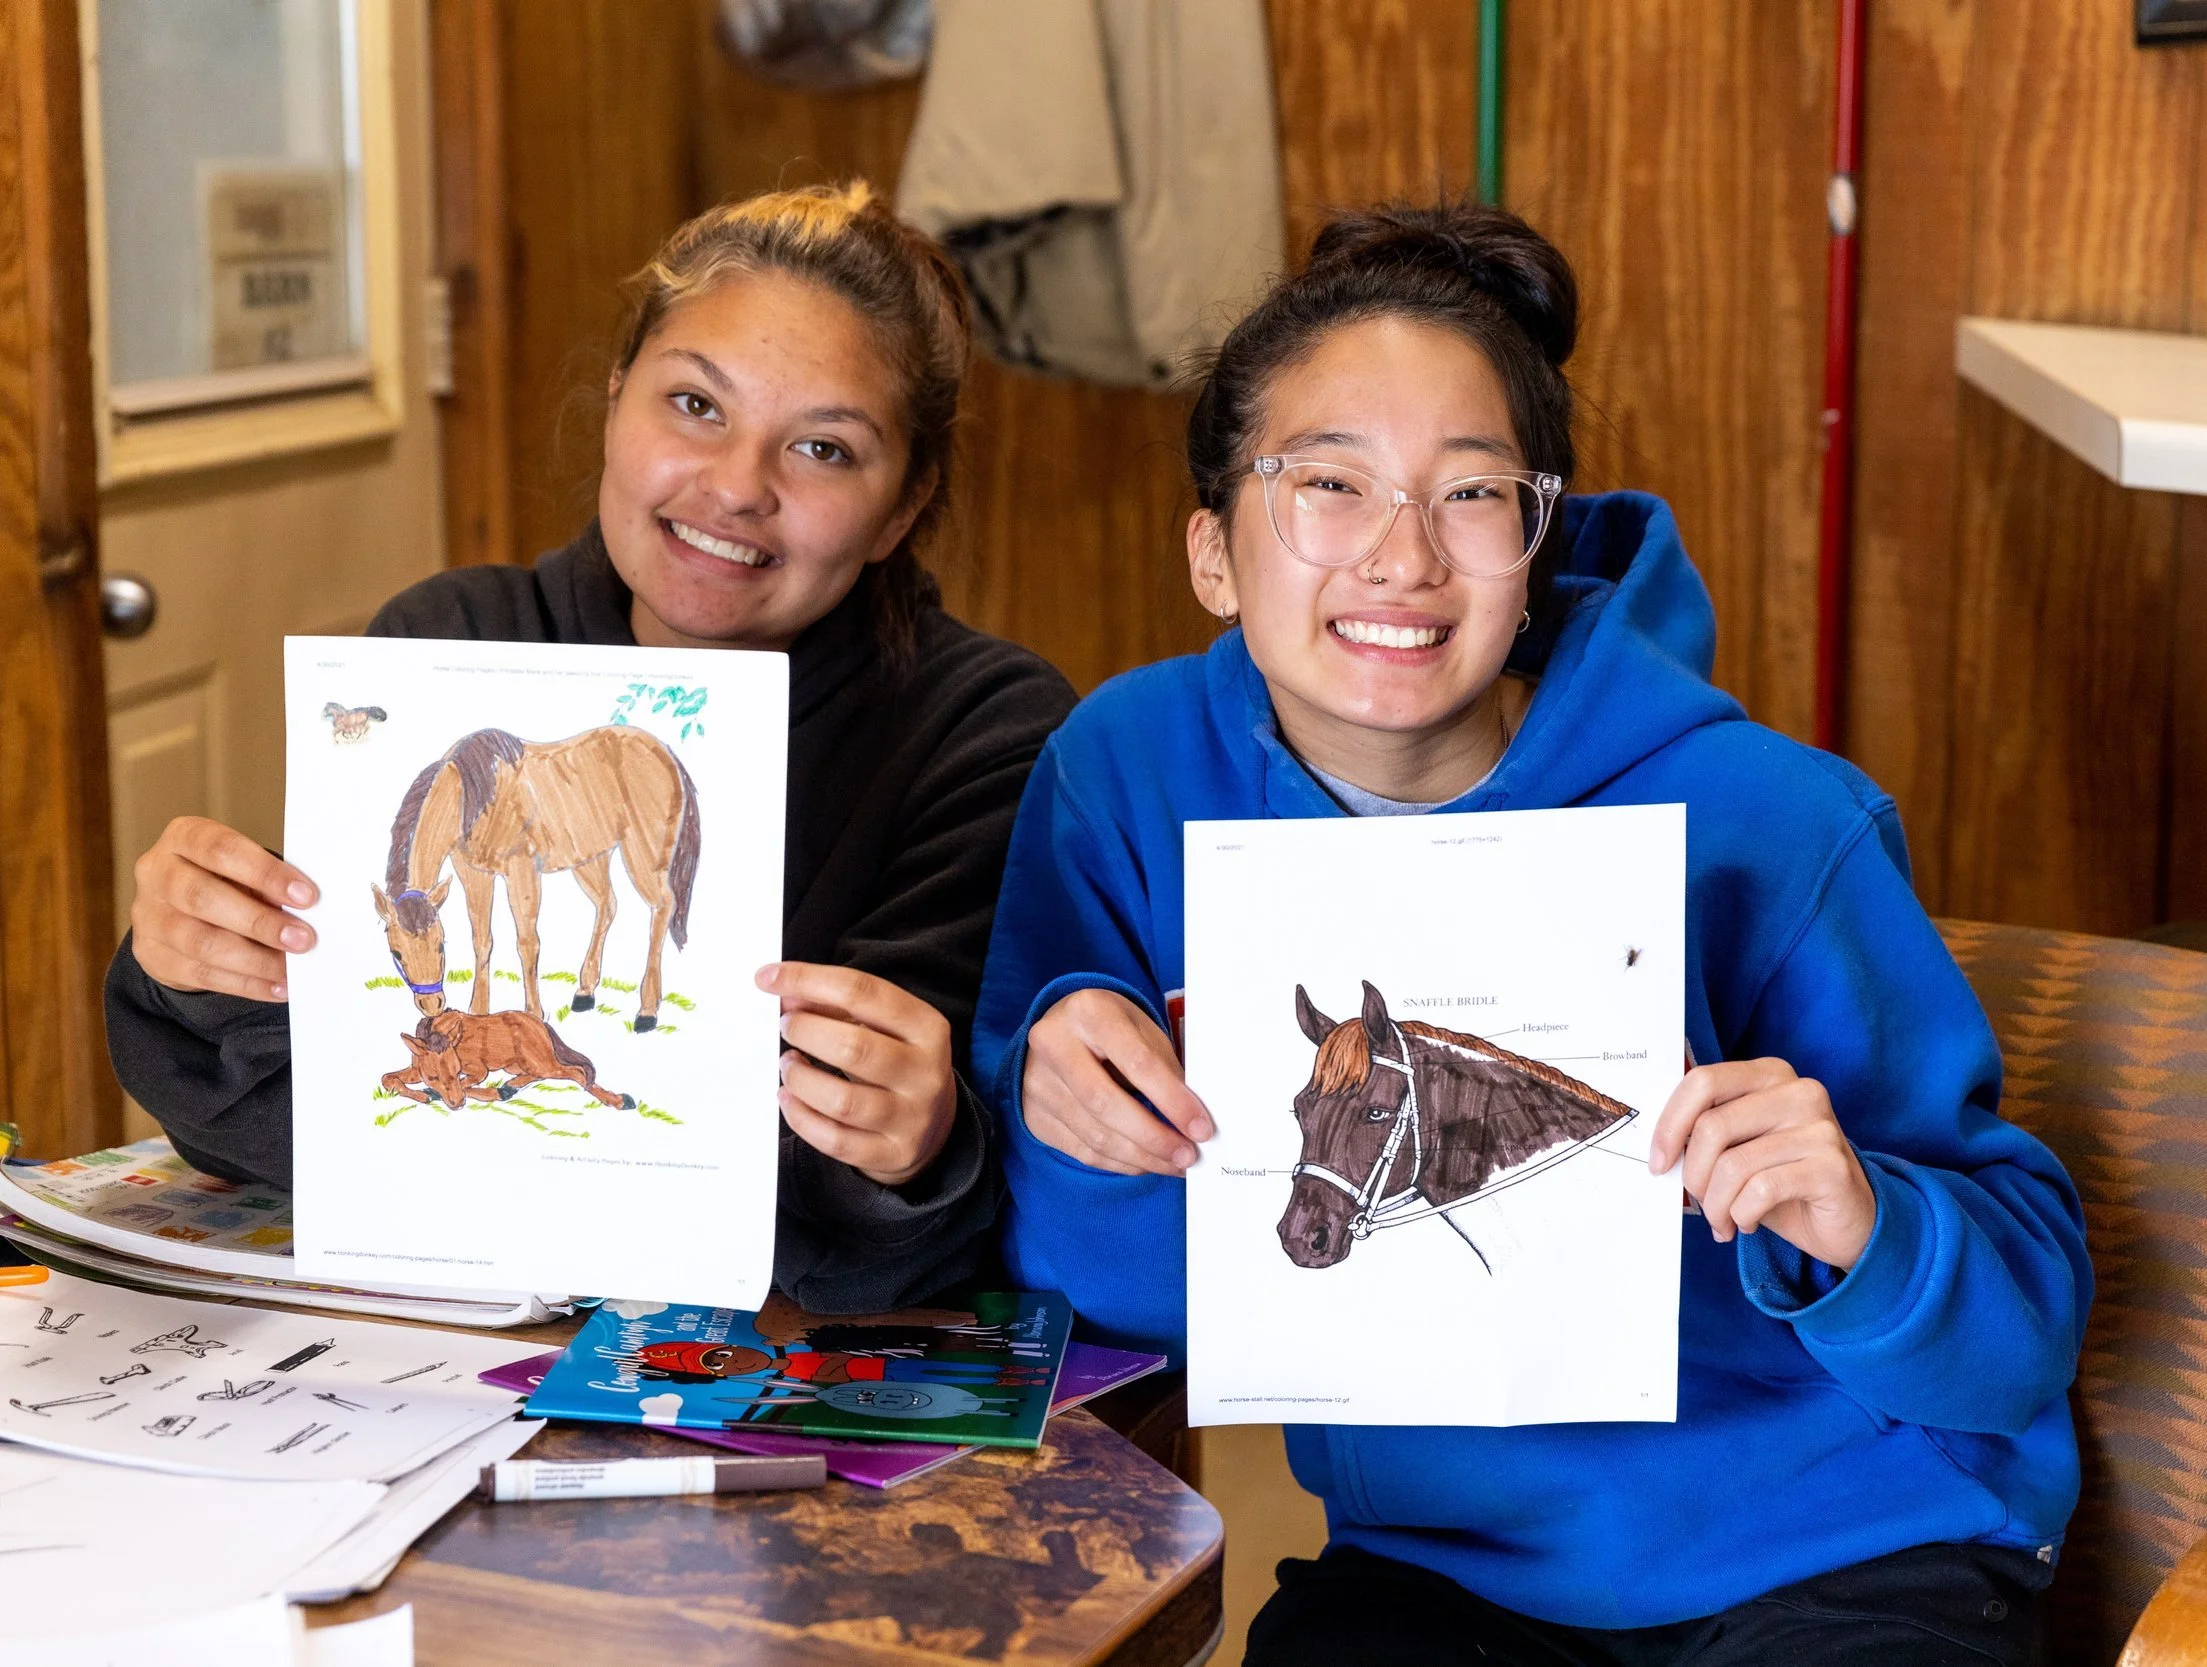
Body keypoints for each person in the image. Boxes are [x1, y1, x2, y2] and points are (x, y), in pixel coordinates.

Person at [970, 200, 2092, 1666]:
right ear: (1212, 550)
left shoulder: (1772, 822)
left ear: (1537, 535)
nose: (1400, 556)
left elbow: (2021, 1337)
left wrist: (1863, 1219)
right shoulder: (1126, 777)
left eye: (1473, 492)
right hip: (1446, 1574)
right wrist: (1065, 1115)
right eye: (1327, 482)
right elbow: (1104, 1298)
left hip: (1837, 1543)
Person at [106, 182, 1075, 1313]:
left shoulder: (983, 732)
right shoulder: (445, 645)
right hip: (417, 1355)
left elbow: (857, 1236)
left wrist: (910, 1147)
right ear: (617, 401)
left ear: (901, 507)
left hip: (753, 1363)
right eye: (694, 405)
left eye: (821, 447)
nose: (736, 486)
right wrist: (198, 962)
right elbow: (259, 1120)